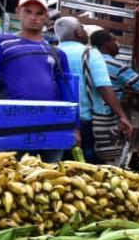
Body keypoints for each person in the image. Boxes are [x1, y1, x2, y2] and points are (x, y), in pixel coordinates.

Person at [0, 0, 75, 162]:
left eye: (39, 13)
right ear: (18, 12)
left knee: (52, 179)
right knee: (12, 178)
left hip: (52, 125)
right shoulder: (0, 43)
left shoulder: (57, 53)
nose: (33, 17)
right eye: (28, 11)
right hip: (12, 124)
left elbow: (66, 90)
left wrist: (74, 126)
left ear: (46, 17)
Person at [54, 17, 133, 164]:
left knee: (61, 168)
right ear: (78, 33)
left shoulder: (51, 52)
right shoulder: (90, 54)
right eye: (83, 30)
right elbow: (104, 87)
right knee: (89, 169)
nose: (86, 33)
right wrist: (121, 115)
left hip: (57, 121)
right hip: (86, 122)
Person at [90, 28, 139, 101]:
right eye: (114, 41)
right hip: (107, 110)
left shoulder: (89, 60)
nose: (117, 45)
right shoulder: (117, 66)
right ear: (106, 43)